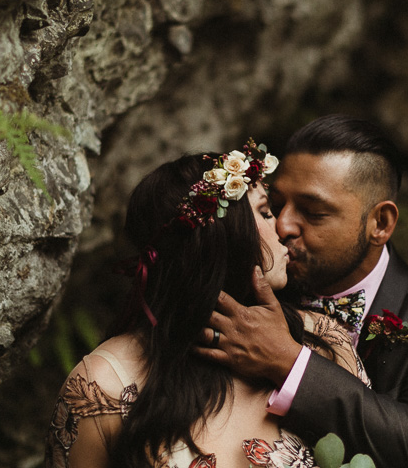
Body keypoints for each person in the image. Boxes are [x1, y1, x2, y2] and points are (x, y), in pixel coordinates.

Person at [195, 116, 408, 468]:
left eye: (313, 212)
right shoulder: (251, 284)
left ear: (380, 224)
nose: (283, 225)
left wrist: (290, 363)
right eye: (276, 205)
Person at [46, 143, 370, 468]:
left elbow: (386, 448)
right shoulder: (102, 382)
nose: (283, 229)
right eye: (266, 212)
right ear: (223, 234)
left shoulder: (323, 339)